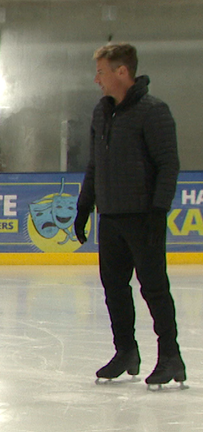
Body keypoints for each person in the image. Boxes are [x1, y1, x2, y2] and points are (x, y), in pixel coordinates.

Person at [74, 43, 184, 388]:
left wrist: (158, 210)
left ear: (122, 72)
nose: (97, 80)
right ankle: (126, 352)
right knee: (114, 288)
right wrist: (84, 205)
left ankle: (170, 357)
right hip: (111, 217)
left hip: (143, 217)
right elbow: (95, 164)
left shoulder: (154, 111)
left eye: (102, 72)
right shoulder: (101, 112)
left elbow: (168, 164)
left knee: (153, 288)